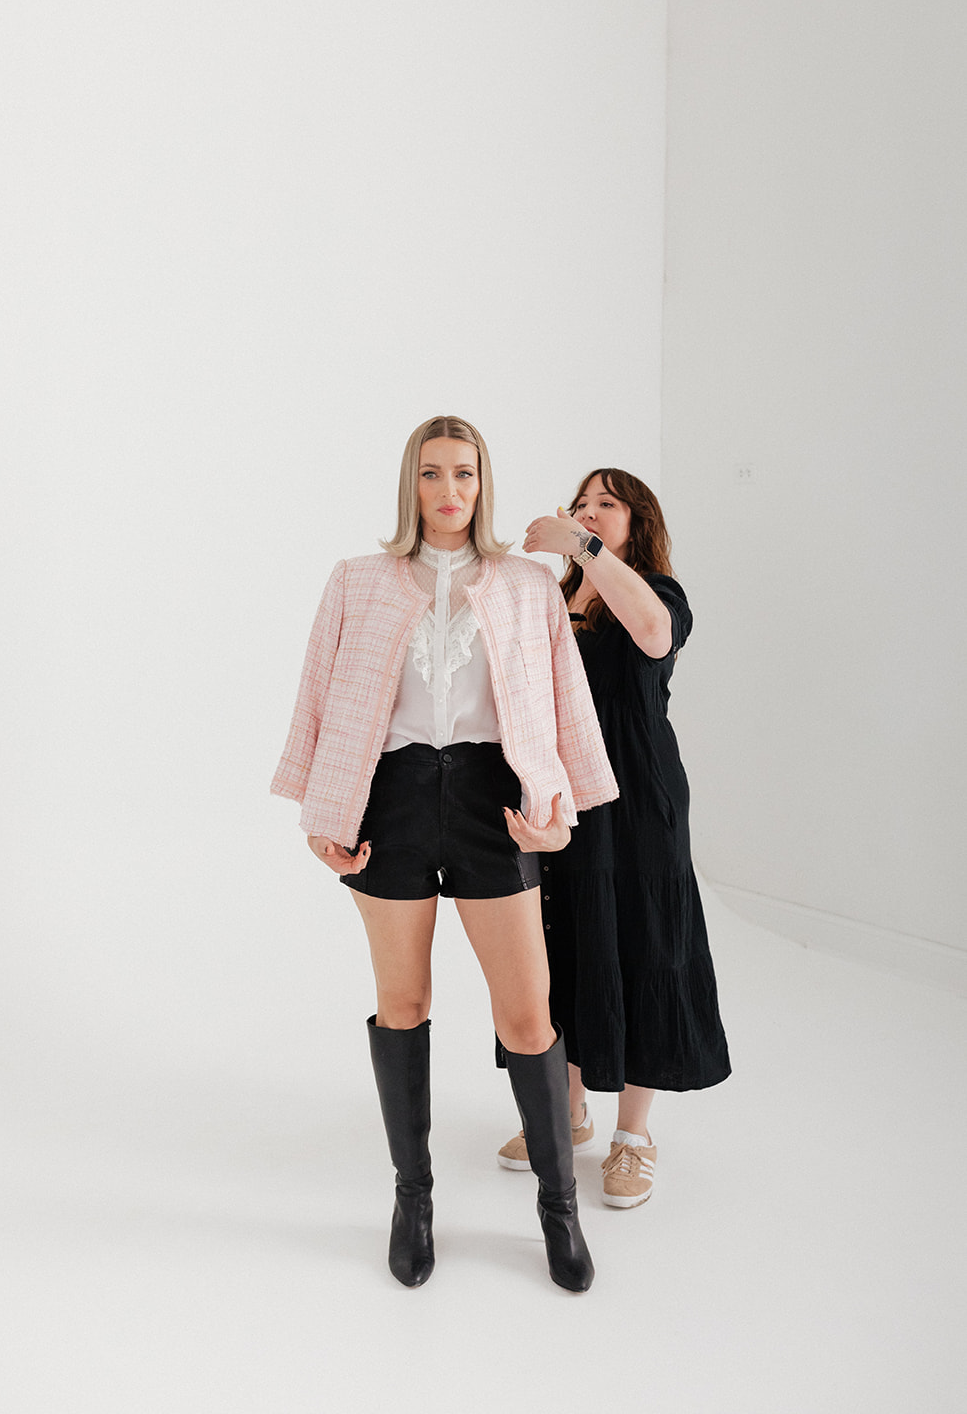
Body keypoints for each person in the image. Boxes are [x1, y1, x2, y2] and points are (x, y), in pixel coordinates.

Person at [271, 417, 618, 1291]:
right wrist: (320, 811)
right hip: (387, 798)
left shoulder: (526, 584)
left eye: (463, 473)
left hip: (490, 799)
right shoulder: (356, 580)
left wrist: (562, 812)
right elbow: (317, 695)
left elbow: (566, 700)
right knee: (403, 1003)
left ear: (482, 483)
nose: (448, 490)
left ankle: (558, 1208)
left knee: (527, 1016)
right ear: (411, 484)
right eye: (431, 474)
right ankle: (412, 1199)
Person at [496, 469, 731, 1208]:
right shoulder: (556, 595)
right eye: (581, 503)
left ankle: (633, 1137)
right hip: (561, 788)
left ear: (637, 520)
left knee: (646, 945)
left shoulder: (656, 591)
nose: (589, 511)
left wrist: (583, 545)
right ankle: (565, 1113)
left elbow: (653, 634)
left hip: (637, 793)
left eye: (606, 503)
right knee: (560, 942)